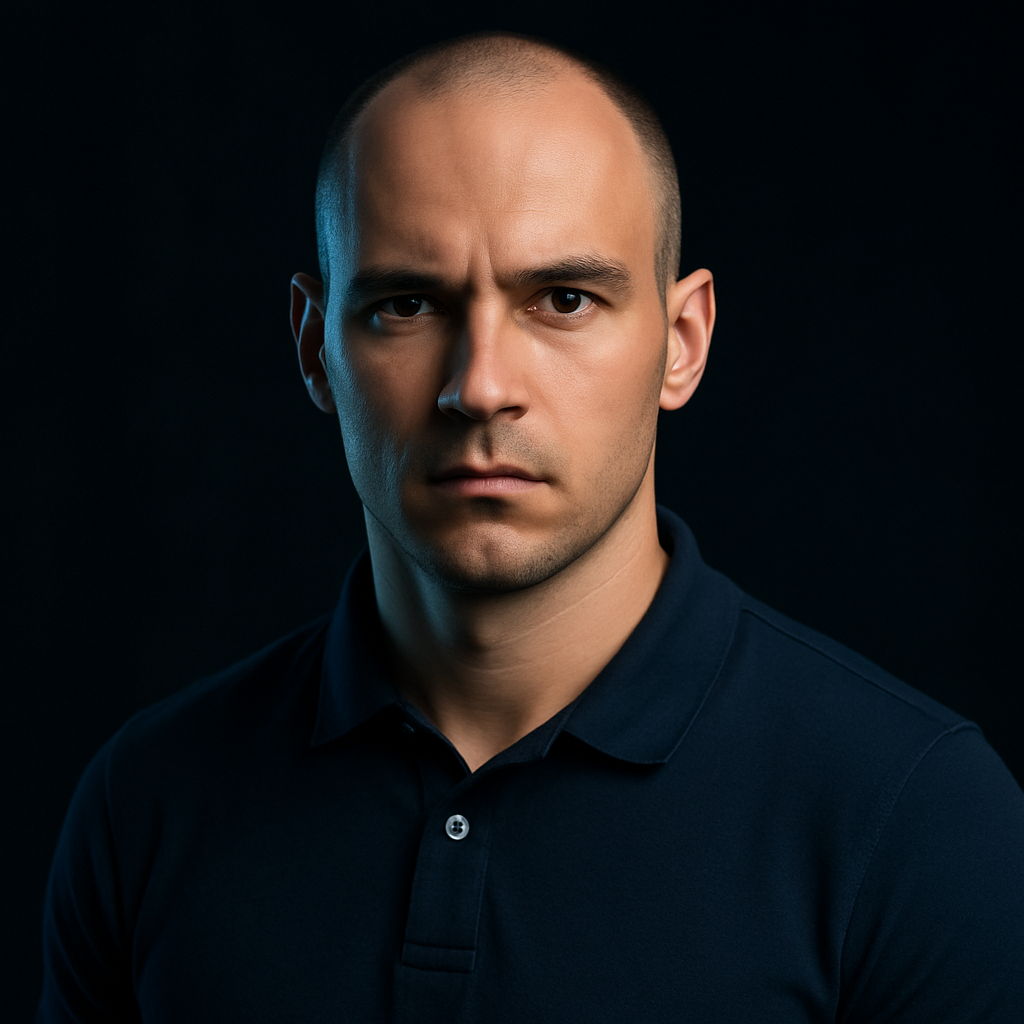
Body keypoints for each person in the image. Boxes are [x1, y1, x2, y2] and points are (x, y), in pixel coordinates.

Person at [38, 31, 1023, 1023]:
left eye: (562, 299)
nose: (480, 388)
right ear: (314, 349)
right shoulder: (147, 804)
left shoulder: (918, 818)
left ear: (681, 344)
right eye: (408, 304)